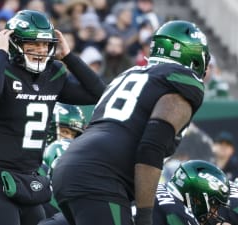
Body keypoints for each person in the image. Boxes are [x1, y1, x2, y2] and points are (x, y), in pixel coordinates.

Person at [52, 20, 210, 225]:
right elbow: (151, 147)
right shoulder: (181, 81)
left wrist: (70, 58)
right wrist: (145, 217)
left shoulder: (131, 73)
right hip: (102, 178)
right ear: (195, 56)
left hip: (72, 168)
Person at [0, 9, 105, 225]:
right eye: (33, 43)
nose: (41, 50)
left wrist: (69, 58)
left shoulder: (53, 73)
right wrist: (1, 54)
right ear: (13, 42)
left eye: (45, 44)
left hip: (31, 177)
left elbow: (99, 93)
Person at [153, 160, 230, 225]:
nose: (215, 213)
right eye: (213, 205)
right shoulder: (181, 215)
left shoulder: (159, 187)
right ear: (199, 198)